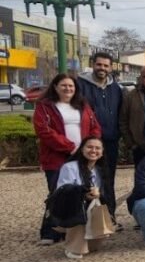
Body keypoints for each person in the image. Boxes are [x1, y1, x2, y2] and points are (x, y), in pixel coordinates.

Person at [33, 74, 102, 245]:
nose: (68, 89)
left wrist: (90, 145)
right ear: (55, 86)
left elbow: (95, 127)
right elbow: (43, 130)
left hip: (82, 156)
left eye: (71, 86)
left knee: (81, 191)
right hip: (56, 156)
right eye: (63, 85)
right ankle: (50, 231)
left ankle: (73, 227)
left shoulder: (82, 105)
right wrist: (70, 146)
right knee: (57, 193)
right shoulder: (45, 106)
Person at [76, 51, 123, 224]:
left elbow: (120, 113)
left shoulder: (115, 88)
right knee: (87, 179)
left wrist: (118, 134)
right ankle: (83, 218)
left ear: (111, 67)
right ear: (93, 64)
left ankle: (109, 216)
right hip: (89, 142)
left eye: (106, 65)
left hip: (110, 141)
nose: (102, 68)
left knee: (108, 179)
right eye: (99, 64)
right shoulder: (81, 85)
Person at [53, 137, 113, 259]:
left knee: (98, 204)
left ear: (102, 153)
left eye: (97, 148)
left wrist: (98, 195)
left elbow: (106, 193)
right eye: (89, 147)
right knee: (80, 205)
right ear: (81, 150)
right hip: (70, 205)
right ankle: (73, 246)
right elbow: (63, 191)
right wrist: (83, 193)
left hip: (93, 203)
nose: (93, 150)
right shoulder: (70, 167)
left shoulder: (100, 171)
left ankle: (92, 240)